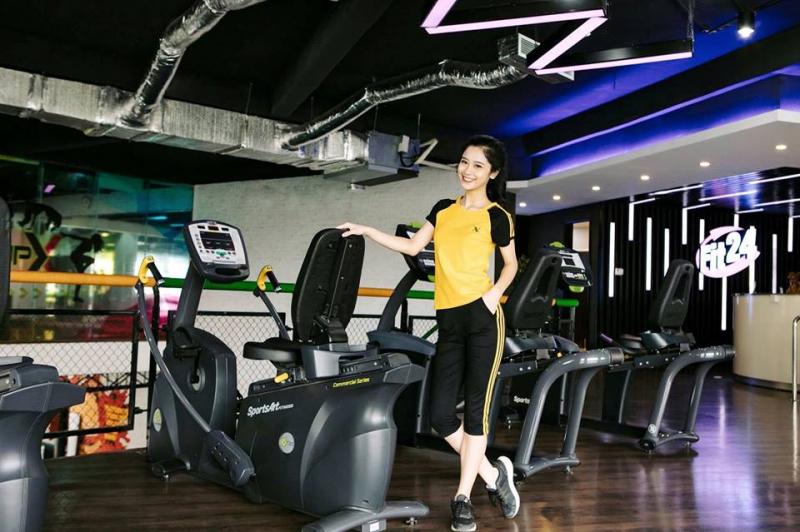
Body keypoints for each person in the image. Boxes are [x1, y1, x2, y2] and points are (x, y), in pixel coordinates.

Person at [339, 135, 519, 531]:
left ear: (492, 173)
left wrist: (492, 297)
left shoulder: (497, 216)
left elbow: (510, 265)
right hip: (449, 320)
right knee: (440, 414)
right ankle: (493, 476)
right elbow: (412, 246)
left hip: (483, 319)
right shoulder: (443, 210)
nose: (467, 170)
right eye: (464, 162)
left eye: (477, 165)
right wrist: (368, 230)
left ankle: (462, 498)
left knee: (476, 412)